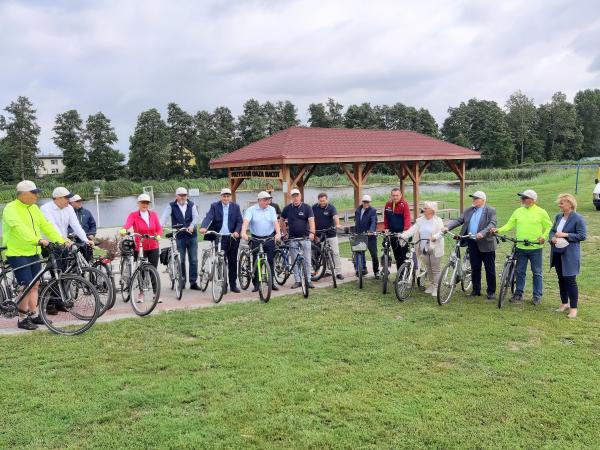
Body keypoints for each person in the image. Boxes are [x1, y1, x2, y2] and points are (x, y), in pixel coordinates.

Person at [2, 181, 65, 330]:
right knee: (26, 286)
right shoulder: (10, 209)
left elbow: (46, 225)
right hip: (18, 253)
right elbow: (19, 229)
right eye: (34, 193)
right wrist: (37, 240)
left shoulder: (34, 209)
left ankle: (34, 314)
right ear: (23, 194)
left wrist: (60, 240)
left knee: (35, 285)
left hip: (33, 252)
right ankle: (22, 318)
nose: (37, 196)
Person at [492, 190, 552, 305]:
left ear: (533, 200)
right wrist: (498, 230)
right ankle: (518, 294)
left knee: (537, 272)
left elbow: (549, 226)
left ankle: (537, 296)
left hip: (535, 248)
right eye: (522, 198)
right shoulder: (518, 211)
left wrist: (544, 237)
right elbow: (509, 224)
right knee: (520, 272)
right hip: (520, 247)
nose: (522, 200)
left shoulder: (541, 212)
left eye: (524, 198)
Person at [443, 191, 497, 300]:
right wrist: (448, 227)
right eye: (473, 198)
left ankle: (491, 291)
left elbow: (492, 223)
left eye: (476, 198)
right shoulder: (469, 210)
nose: (473, 200)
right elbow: (459, 220)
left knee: (489, 268)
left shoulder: (490, 210)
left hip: (486, 243)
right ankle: (476, 290)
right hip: (472, 242)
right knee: (475, 267)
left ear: (483, 200)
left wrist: (482, 233)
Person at [549, 193, 586, 318]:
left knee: (570, 280)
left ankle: (574, 308)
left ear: (570, 204)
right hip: (557, 252)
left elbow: (582, 236)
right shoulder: (558, 216)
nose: (559, 205)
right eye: (559, 203)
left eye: (562, 203)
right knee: (561, 279)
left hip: (570, 254)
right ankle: (564, 303)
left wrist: (566, 235)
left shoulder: (578, 218)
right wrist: (552, 238)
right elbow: (552, 231)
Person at [200, 188, 243, 293]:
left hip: (232, 237)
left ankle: (233, 285)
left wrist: (237, 231)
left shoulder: (235, 207)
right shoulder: (214, 206)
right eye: (224, 196)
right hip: (219, 238)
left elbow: (239, 221)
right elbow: (208, 217)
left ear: (230, 197)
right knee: (220, 261)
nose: (226, 198)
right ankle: (223, 284)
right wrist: (203, 227)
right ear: (221, 196)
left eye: (228, 196)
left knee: (232, 262)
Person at [400, 201, 444, 296]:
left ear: (432, 210)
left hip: (434, 248)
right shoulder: (420, 220)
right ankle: (431, 285)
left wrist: (434, 237)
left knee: (435, 269)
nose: (423, 209)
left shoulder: (438, 220)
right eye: (424, 207)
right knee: (428, 268)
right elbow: (412, 230)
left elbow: (441, 232)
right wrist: (403, 235)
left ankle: (436, 287)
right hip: (423, 248)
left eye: (426, 208)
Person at [160, 187, 200, 290]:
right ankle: (182, 281)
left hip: (192, 236)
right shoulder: (171, 206)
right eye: (180, 195)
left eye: (184, 195)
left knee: (194, 260)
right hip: (179, 236)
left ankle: (193, 282)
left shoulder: (192, 205)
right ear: (176, 196)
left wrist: (192, 226)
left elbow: (196, 217)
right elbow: (164, 217)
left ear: (187, 196)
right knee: (180, 260)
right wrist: (160, 227)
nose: (183, 197)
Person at [241, 191, 282, 292]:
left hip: (269, 237)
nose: (267, 202)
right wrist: (243, 233)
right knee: (256, 259)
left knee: (270, 260)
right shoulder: (251, 210)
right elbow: (246, 222)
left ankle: (271, 282)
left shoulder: (272, 209)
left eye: (268, 200)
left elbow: (275, 222)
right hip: (256, 238)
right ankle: (256, 284)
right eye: (265, 200)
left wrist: (278, 233)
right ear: (259, 200)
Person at [281, 188, 315, 289]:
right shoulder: (287, 208)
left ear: (300, 196)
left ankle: (308, 280)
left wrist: (312, 232)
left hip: (305, 238)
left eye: (297, 196)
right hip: (292, 239)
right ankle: (297, 281)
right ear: (291, 197)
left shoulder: (307, 208)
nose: (295, 198)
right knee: (294, 261)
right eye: (293, 196)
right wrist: (285, 233)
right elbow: (281, 221)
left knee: (307, 260)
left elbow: (311, 221)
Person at [120, 193, 163, 268]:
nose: (145, 205)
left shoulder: (153, 214)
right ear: (138, 203)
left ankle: (153, 280)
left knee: (153, 271)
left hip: (153, 246)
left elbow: (159, 229)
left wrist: (159, 235)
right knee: (141, 272)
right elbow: (128, 224)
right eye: (143, 202)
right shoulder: (133, 215)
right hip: (140, 247)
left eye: (147, 203)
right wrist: (124, 229)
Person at [312, 193, 344, 280]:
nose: (322, 202)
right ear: (318, 200)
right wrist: (313, 234)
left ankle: (338, 272)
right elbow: (311, 219)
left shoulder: (331, 207)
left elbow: (335, 216)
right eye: (321, 201)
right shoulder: (314, 207)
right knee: (319, 253)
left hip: (331, 233)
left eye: (324, 200)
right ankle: (324, 271)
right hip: (318, 234)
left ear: (327, 200)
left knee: (335, 253)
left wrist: (337, 224)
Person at [383, 188, 411, 270]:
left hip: (402, 234)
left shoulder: (404, 204)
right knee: (397, 256)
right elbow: (386, 218)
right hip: (392, 234)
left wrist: (405, 232)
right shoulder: (388, 204)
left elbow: (407, 218)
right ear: (391, 195)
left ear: (401, 195)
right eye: (393, 195)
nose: (395, 197)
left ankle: (405, 274)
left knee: (403, 256)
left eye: (397, 195)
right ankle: (399, 275)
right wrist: (386, 228)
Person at [354, 194, 379, 278]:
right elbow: (356, 222)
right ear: (362, 202)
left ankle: (376, 272)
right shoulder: (358, 210)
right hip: (360, 235)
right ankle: (362, 269)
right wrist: (355, 231)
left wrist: (371, 230)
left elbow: (373, 221)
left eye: (367, 202)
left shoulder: (373, 211)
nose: (366, 204)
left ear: (370, 202)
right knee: (359, 253)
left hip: (370, 236)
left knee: (374, 255)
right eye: (364, 202)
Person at [68, 194, 97, 262]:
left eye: (81, 201)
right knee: (74, 260)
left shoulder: (87, 212)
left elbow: (93, 225)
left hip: (86, 239)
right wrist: (71, 233)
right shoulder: (68, 213)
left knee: (88, 259)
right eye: (78, 201)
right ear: (72, 203)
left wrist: (92, 234)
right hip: (73, 240)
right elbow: (65, 227)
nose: (80, 202)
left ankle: (89, 270)